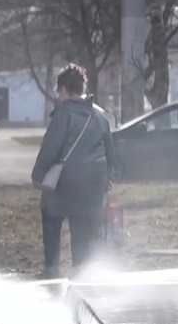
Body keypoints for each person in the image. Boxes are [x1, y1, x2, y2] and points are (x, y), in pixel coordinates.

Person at [30, 64, 117, 278]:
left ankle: (51, 271)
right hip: (93, 184)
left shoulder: (63, 114)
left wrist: (38, 175)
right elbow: (110, 150)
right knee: (83, 230)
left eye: (59, 92)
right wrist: (109, 176)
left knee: (50, 218)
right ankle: (81, 274)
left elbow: (50, 147)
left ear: (64, 90)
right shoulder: (99, 115)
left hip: (65, 182)